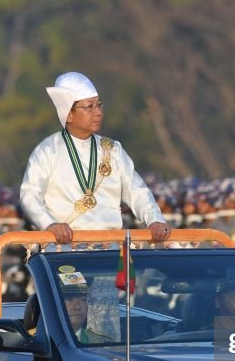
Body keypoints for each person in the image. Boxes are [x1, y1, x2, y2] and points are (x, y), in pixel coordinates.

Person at [20, 72, 170, 244]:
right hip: (63, 247)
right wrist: (50, 224)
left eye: (99, 105)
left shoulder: (112, 149)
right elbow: (29, 194)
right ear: (69, 114)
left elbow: (137, 191)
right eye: (89, 107)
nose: (98, 112)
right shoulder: (48, 150)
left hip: (112, 246)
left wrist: (155, 220)